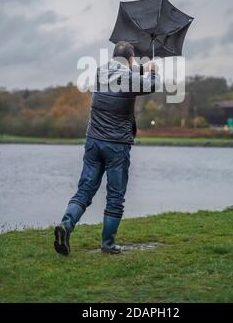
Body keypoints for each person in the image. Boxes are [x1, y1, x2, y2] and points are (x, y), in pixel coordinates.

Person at [54, 41, 160, 255]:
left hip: (93, 141)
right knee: (115, 195)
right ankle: (108, 244)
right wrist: (154, 71)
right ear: (130, 59)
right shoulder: (130, 78)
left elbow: (124, 74)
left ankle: (66, 225)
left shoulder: (98, 73)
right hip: (117, 145)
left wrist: (142, 67)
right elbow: (150, 86)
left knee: (84, 190)